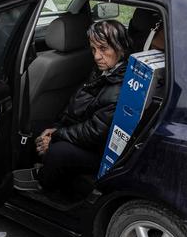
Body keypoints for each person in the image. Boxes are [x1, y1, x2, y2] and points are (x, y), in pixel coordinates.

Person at [14, 20, 132, 192]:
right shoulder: (104, 71)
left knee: (58, 152)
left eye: (104, 48)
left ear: (121, 48)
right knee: (31, 128)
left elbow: (95, 132)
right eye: (93, 49)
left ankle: (45, 184)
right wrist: (56, 128)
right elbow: (76, 104)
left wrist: (56, 136)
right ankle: (34, 166)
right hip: (79, 132)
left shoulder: (120, 87)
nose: (97, 56)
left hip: (98, 149)